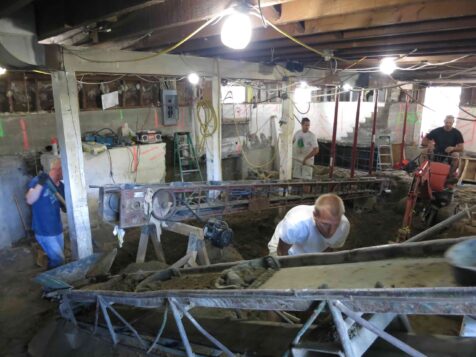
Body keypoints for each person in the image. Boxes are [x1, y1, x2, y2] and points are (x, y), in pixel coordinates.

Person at [268, 193, 350, 256]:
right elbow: (281, 253)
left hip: (312, 253)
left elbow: (330, 248)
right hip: (286, 250)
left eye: (336, 224)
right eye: (325, 224)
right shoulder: (295, 223)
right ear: (315, 215)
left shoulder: (343, 226)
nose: (331, 232)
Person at [26, 159, 66, 269]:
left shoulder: (61, 186)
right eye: (65, 169)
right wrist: (40, 183)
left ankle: (50, 268)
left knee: (58, 258)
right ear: (59, 169)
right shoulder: (38, 180)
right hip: (44, 230)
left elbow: (65, 207)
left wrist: (66, 207)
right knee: (59, 260)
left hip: (57, 229)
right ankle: (51, 278)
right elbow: (30, 200)